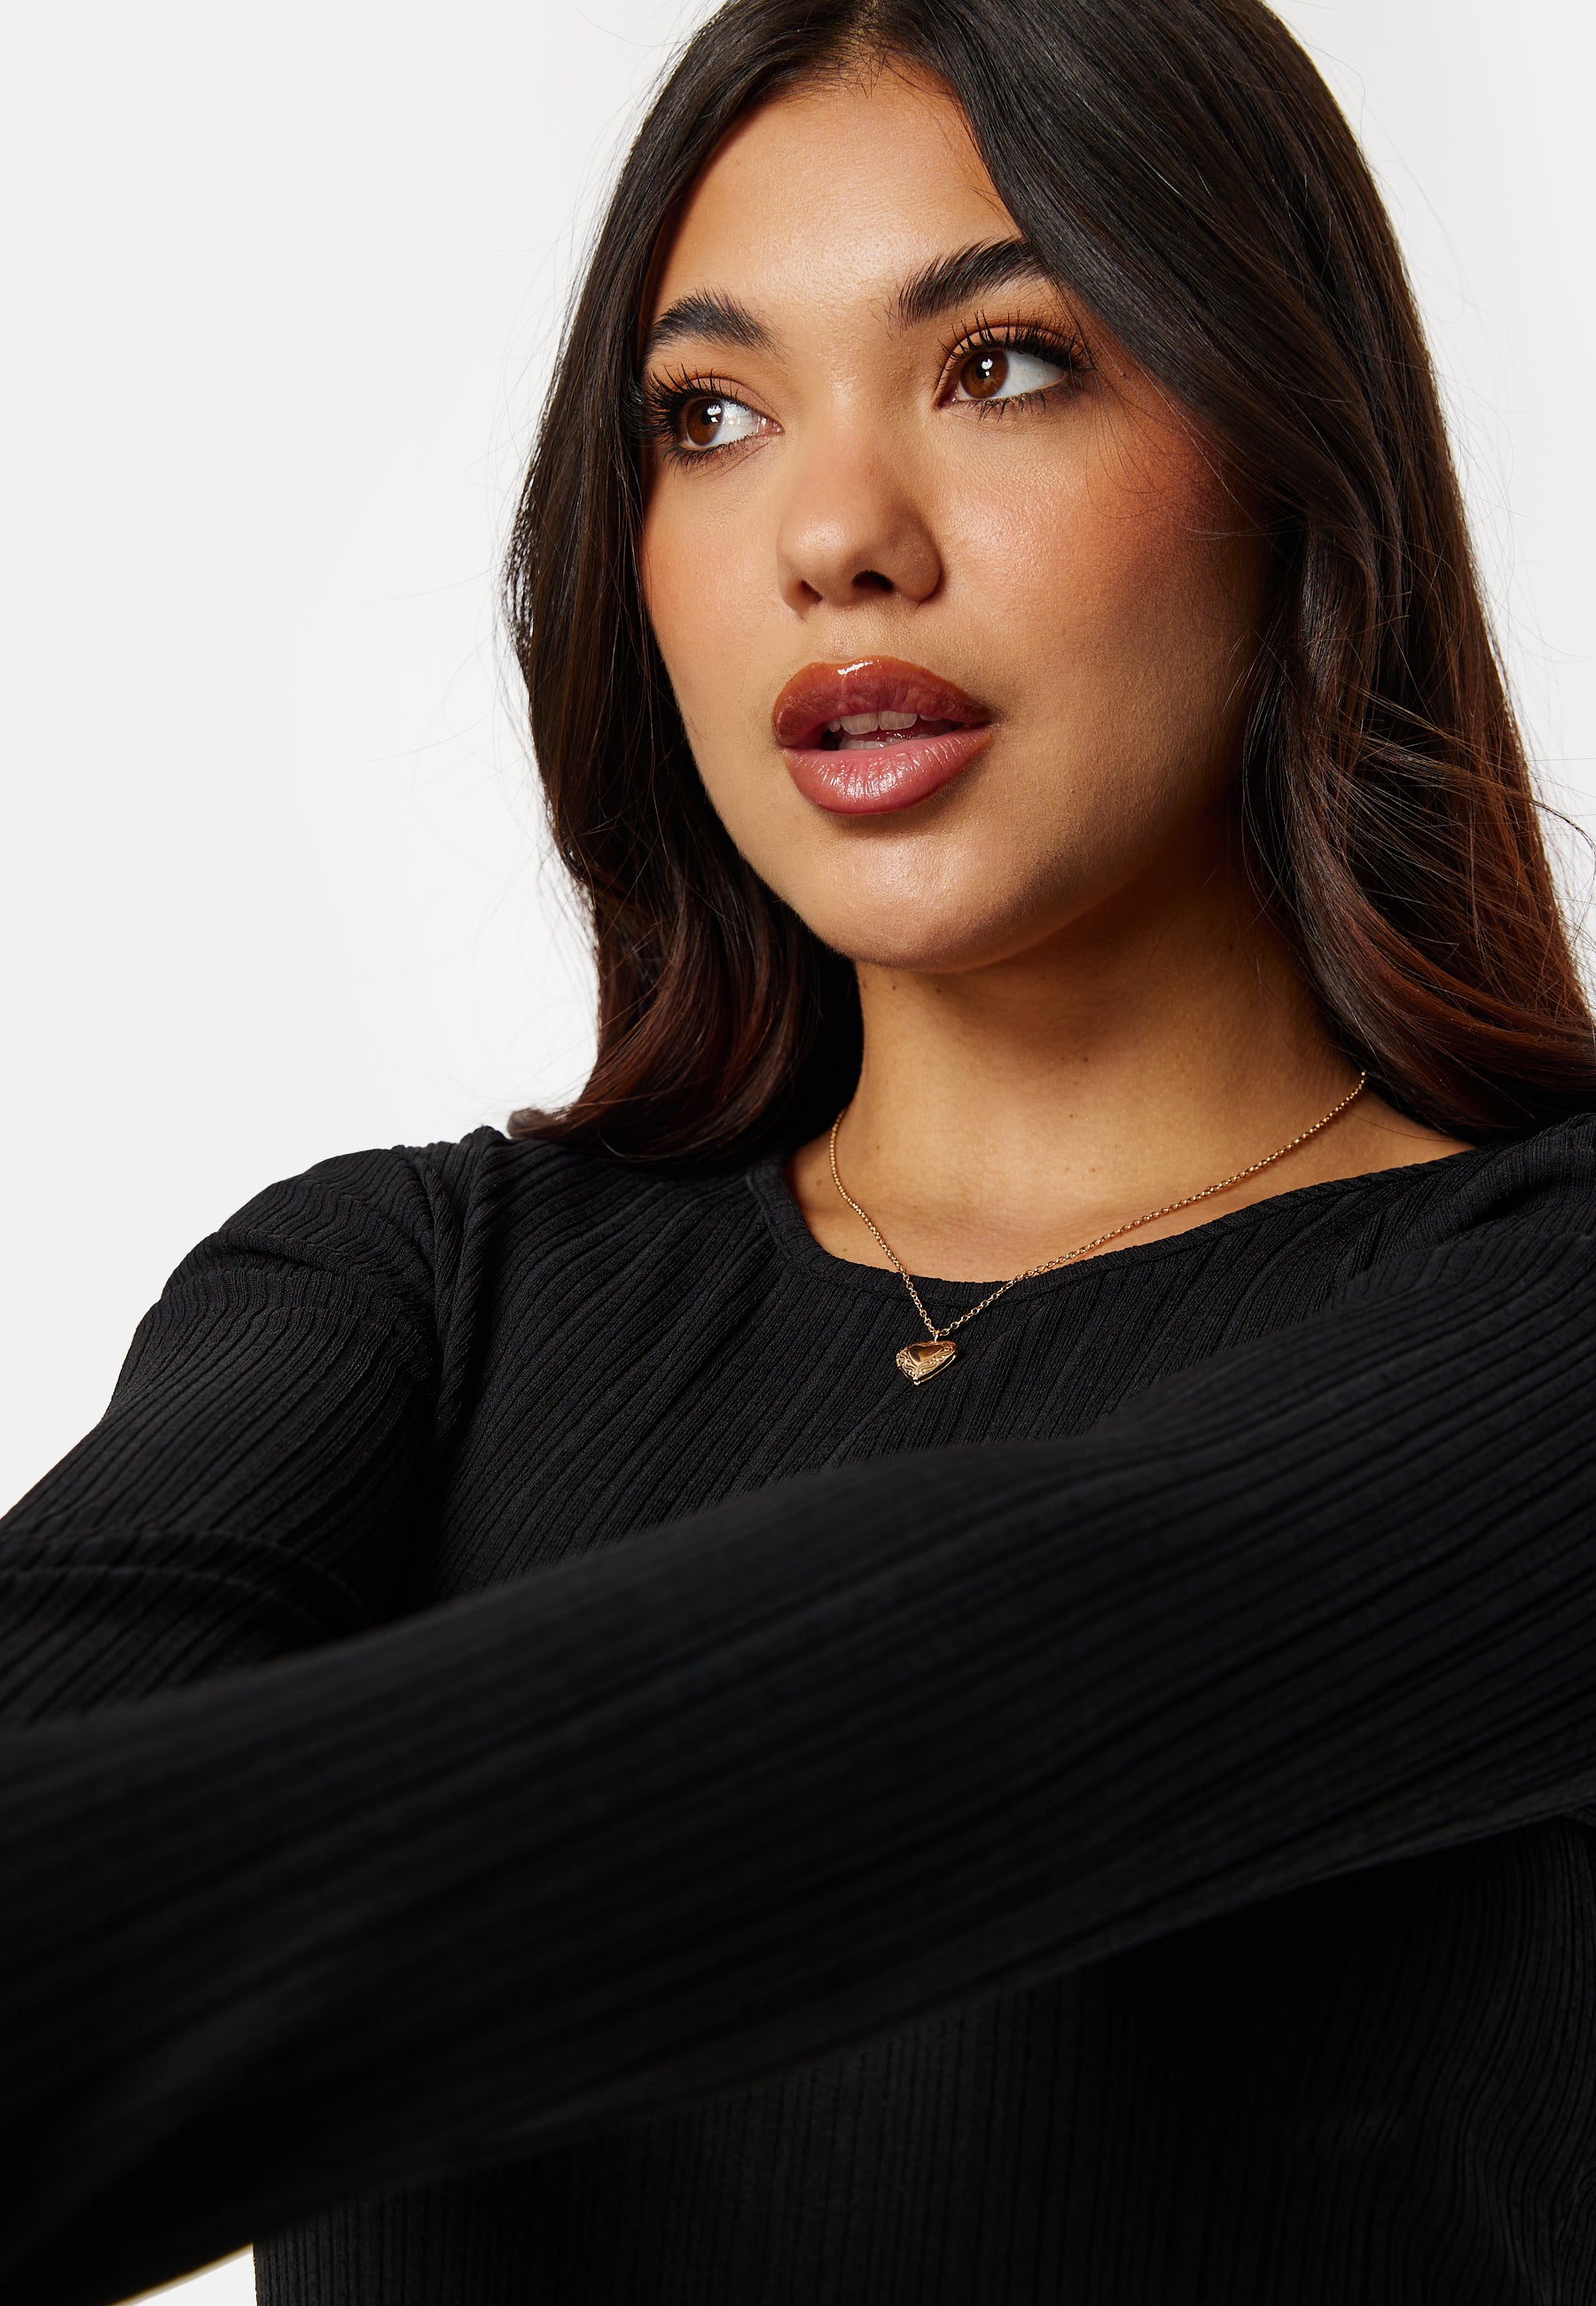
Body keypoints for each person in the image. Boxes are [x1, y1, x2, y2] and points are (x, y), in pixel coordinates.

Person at [4, 0, 1595, 2299]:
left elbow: (1013, 1669)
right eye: (712, 416)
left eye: (1005, 364)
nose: (836, 536)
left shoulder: (1550, 1320)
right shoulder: (409, 1290)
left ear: (1291, 448)